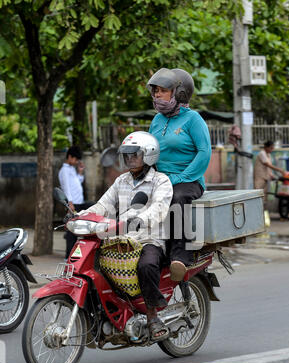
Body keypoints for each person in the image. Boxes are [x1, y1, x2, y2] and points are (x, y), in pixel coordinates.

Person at [78, 131, 173, 342]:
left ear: (148, 155)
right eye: (127, 155)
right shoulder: (121, 181)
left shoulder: (161, 181)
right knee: (98, 266)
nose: (130, 159)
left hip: (149, 239)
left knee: (146, 265)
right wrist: (83, 215)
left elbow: (159, 208)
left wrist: (140, 219)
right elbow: (104, 204)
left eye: (135, 154)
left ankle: (152, 315)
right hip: (123, 239)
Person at [147, 68, 211, 281]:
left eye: (162, 90)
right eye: (155, 90)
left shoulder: (193, 119)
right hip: (161, 178)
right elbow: (150, 151)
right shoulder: (156, 120)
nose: (157, 94)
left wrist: (182, 177)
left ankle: (180, 257)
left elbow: (204, 153)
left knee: (177, 198)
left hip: (189, 180)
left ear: (179, 93)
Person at [58, 145, 93, 258]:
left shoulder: (71, 169)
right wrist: (70, 203)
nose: (77, 161)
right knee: (71, 230)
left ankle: (71, 253)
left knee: (74, 227)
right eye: (76, 159)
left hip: (78, 202)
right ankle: (68, 255)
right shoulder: (64, 171)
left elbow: (78, 182)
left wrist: (80, 172)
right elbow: (66, 188)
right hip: (73, 204)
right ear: (70, 157)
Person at [254, 141, 285, 206]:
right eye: (271, 148)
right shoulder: (262, 153)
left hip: (266, 178)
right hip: (259, 178)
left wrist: (272, 175)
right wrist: (279, 170)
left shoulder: (269, 155)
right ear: (266, 147)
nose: (272, 150)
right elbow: (267, 164)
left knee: (264, 196)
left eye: (272, 148)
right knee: (258, 195)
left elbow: (268, 168)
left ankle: (263, 213)